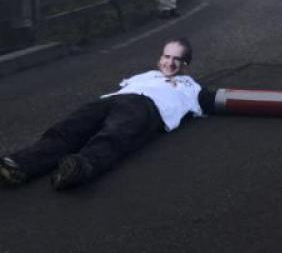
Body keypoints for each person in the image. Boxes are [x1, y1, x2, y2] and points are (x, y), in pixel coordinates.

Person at [0, 39, 207, 191]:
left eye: (177, 60)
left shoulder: (192, 87)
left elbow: (223, 100)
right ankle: (21, 164)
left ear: (186, 65)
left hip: (147, 107)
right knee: (68, 128)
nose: (169, 63)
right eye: (166, 56)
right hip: (112, 99)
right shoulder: (147, 74)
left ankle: (80, 167)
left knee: (114, 135)